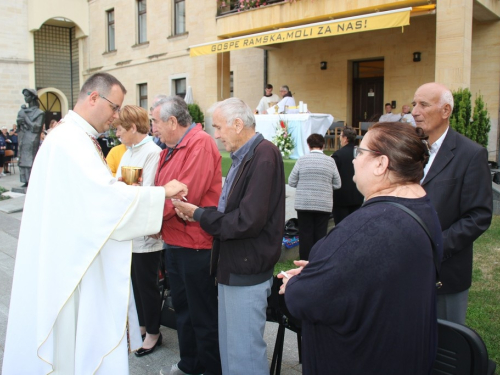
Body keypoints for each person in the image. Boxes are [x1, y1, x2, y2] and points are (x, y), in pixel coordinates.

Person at [2, 72, 188, 375]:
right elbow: (106, 199)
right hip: (69, 266)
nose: (116, 117)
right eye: (114, 107)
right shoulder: (71, 141)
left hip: (71, 254)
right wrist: (162, 193)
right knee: (69, 343)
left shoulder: (73, 137)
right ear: (93, 98)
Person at [279, 122, 443, 374]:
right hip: (403, 354)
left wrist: (294, 283)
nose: (354, 160)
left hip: (362, 359)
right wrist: (326, 269)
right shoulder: (419, 203)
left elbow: (305, 300)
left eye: (360, 152)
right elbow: (376, 269)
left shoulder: (368, 226)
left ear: (381, 164)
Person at [173, 97, 286, 375]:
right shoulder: (246, 155)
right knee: (232, 352)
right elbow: (233, 210)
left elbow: (247, 221)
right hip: (232, 267)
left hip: (245, 269)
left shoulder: (263, 155)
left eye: (220, 127)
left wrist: (199, 214)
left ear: (238, 124)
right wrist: (200, 211)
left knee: (244, 355)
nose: (217, 134)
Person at [151, 96, 222, 375]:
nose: (152, 127)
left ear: (171, 121)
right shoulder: (167, 149)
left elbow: (183, 195)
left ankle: (210, 368)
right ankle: (190, 364)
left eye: (155, 121)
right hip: (175, 241)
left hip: (196, 244)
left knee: (202, 314)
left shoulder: (200, 142)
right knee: (182, 310)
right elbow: (161, 191)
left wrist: (148, 216)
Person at [412, 82, 493, 324]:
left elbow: (478, 216)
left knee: (444, 347)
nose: (415, 111)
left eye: (423, 105)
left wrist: (435, 247)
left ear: (446, 111)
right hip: (404, 271)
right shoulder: (408, 150)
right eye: (414, 103)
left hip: (444, 276)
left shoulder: (471, 154)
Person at [113, 105, 164, 357]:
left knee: (147, 284)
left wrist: (131, 187)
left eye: (120, 128)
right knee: (134, 283)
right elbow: (124, 183)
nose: (117, 133)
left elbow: (152, 188)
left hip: (145, 231)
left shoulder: (152, 152)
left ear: (133, 128)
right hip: (129, 230)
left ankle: (154, 332)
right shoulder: (127, 152)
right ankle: (142, 324)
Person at [288, 133, 341, 260]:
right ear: (323, 145)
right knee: (321, 234)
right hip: (323, 204)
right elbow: (338, 184)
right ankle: (317, 261)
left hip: (304, 203)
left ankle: (304, 262)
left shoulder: (302, 160)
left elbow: (291, 181)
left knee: (305, 234)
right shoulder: (330, 161)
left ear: (308, 145)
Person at [331, 127, 364, 224]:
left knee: (341, 225)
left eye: (341, 136)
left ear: (345, 138)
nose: (340, 138)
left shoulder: (338, 155)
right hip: (358, 194)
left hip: (341, 197)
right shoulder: (360, 153)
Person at [17, 88, 45, 187]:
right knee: (22, 158)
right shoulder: (23, 111)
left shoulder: (39, 113)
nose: (25, 98)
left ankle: (32, 180)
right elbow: (19, 127)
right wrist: (19, 122)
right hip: (23, 136)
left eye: (27, 96)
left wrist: (25, 118)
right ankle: (25, 180)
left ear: (33, 97)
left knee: (30, 158)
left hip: (32, 138)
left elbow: (36, 128)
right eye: (24, 96)